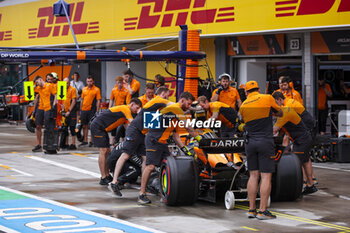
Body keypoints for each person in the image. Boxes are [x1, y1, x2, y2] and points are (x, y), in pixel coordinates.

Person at [137, 92, 202, 205]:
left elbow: (176, 135)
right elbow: (189, 127)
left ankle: (163, 189)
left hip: (162, 143)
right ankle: (142, 194)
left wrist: (184, 149)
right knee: (150, 166)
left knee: (170, 166)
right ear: (182, 100)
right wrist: (200, 139)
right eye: (188, 104)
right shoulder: (175, 108)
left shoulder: (176, 115)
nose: (188, 106)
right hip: (153, 140)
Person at [109, 86, 171, 196]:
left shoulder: (156, 104)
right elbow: (173, 105)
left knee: (146, 159)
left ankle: (144, 185)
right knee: (126, 155)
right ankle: (114, 182)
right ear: (163, 94)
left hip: (142, 133)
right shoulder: (158, 100)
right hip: (135, 130)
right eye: (167, 95)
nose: (168, 97)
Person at [239, 81, 282, 220]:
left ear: (246, 92)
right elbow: (280, 113)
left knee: (253, 176)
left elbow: (245, 121)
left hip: (250, 142)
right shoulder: (267, 98)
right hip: (265, 141)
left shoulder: (243, 105)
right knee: (266, 176)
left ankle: (252, 210)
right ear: (258, 89)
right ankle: (262, 211)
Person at [90, 98, 142, 185]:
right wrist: (140, 114)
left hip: (103, 129)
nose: (136, 111)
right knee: (103, 151)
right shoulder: (125, 109)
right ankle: (103, 177)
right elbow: (133, 123)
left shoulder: (126, 114)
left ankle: (107, 175)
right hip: (97, 126)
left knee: (107, 151)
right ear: (132, 104)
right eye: (136, 108)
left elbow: (129, 128)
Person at [272, 101, 318, 196]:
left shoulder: (283, 114)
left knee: (295, 164)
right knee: (305, 161)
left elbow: (274, 130)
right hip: (303, 139)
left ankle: (296, 188)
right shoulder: (284, 111)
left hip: (301, 141)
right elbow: (282, 133)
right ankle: (310, 185)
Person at [31, 75, 58, 152]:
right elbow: (31, 90)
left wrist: (54, 105)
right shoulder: (38, 88)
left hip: (48, 107)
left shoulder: (49, 86)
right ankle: (39, 145)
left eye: (37, 82)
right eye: (36, 83)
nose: (37, 84)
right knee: (38, 126)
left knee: (48, 127)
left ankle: (49, 145)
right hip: (40, 107)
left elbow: (56, 95)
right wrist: (35, 84)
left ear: (40, 79)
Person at [79, 76, 101, 147]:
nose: (89, 83)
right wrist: (81, 109)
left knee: (92, 126)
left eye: (90, 81)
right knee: (84, 125)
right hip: (84, 110)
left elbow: (98, 101)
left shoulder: (96, 89)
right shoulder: (84, 89)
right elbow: (82, 99)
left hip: (92, 110)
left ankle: (92, 141)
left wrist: (97, 111)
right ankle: (85, 140)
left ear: (93, 81)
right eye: (88, 81)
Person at [62, 77, 77, 150]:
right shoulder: (62, 90)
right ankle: (66, 143)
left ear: (69, 83)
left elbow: (74, 101)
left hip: (71, 112)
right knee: (65, 128)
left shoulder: (73, 89)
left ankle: (73, 144)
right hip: (64, 112)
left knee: (72, 128)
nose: (66, 84)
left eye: (67, 83)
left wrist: (69, 111)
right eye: (64, 83)